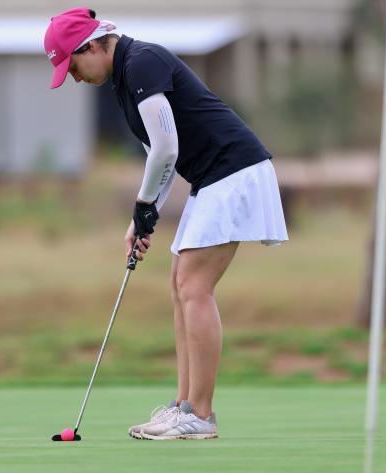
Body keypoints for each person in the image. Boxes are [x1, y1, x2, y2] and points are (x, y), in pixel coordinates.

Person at [44, 7, 288, 440]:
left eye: (73, 64)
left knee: (195, 286)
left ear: (94, 45)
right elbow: (161, 158)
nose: (75, 77)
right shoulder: (124, 81)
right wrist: (140, 219)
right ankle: (182, 408)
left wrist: (143, 205)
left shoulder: (143, 62)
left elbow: (167, 147)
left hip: (232, 171)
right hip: (211, 177)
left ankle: (201, 414)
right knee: (179, 282)